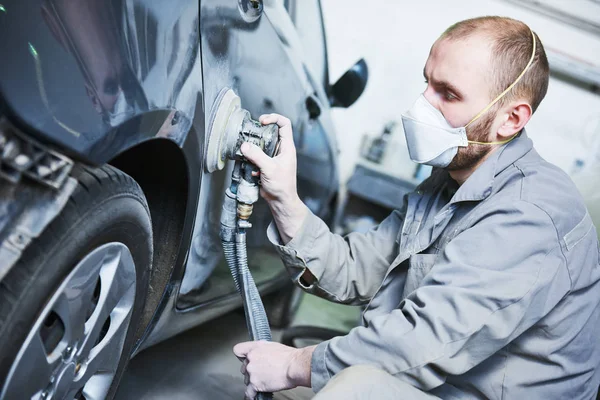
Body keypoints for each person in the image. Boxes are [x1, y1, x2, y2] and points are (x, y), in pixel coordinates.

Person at [233, 16, 600, 400]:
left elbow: (417, 345)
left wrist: (293, 365)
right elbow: (357, 268)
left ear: (510, 119)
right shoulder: (448, 181)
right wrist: (284, 198)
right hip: (439, 386)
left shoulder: (530, 216)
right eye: (427, 82)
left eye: (448, 94)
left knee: (356, 389)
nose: (422, 104)